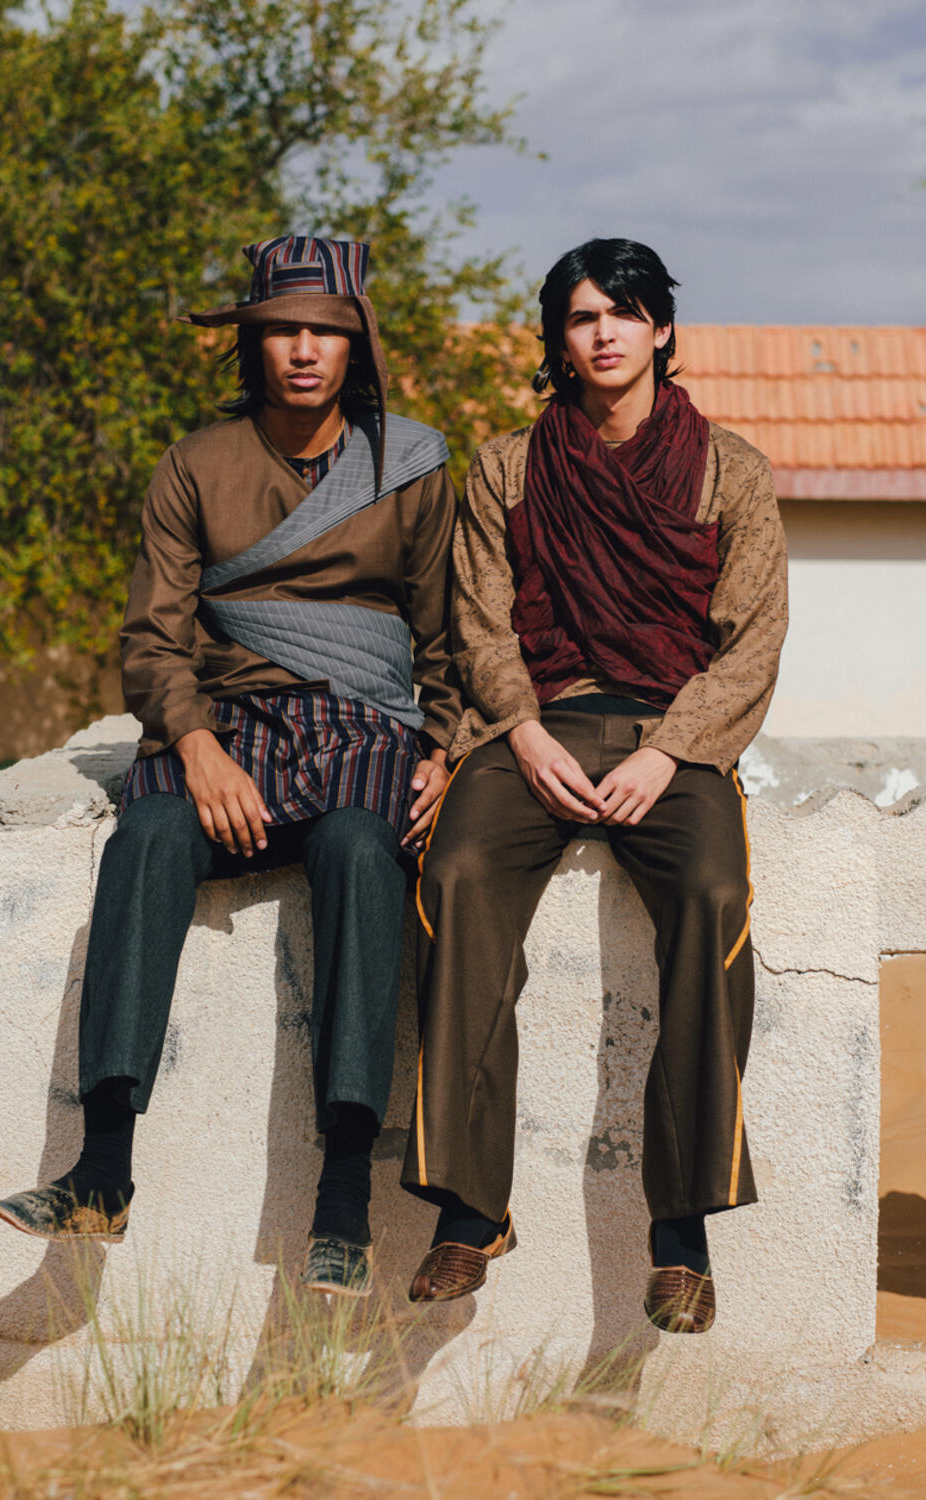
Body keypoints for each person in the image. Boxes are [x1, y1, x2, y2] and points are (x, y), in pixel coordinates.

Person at [0, 234, 461, 1298]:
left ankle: (343, 1198)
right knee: (148, 836)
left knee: (360, 850)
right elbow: (153, 639)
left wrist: (446, 747)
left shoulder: (412, 465)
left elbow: (446, 632)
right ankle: (101, 1168)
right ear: (253, 343)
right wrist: (195, 745)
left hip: (361, 725)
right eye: (282, 329)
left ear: (356, 345)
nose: (303, 350)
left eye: (324, 332)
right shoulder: (194, 465)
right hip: (228, 722)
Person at [400, 237, 788, 1332]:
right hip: (537, 725)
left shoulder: (731, 470)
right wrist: (522, 735)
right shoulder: (506, 468)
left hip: (678, 735)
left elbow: (753, 640)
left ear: (661, 329)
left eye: (624, 311)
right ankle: (470, 1211)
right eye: (581, 317)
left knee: (712, 896)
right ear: (558, 342)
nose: (604, 332)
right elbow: (478, 623)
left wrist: (670, 750)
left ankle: (681, 1233)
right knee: (457, 874)